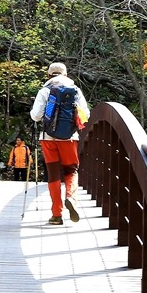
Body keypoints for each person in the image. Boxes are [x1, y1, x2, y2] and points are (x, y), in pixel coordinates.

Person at [29, 62, 89, 226]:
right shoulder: (75, 90)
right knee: (71, 170)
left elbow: (35, 116)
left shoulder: (45, 90)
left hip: (48, 138)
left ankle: (56, 215)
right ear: (66, 74)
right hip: (69, 138)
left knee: (53, 174)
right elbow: (86, 115)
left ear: (49, 75)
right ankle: (71, 197)